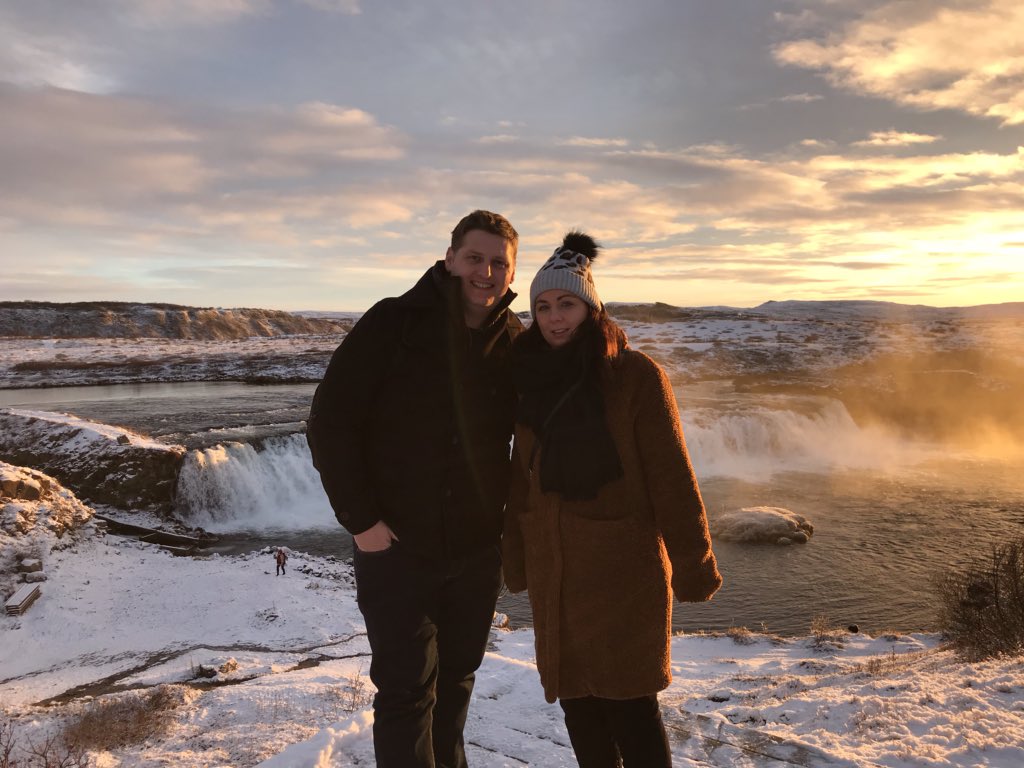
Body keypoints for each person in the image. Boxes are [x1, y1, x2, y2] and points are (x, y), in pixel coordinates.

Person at [306, 210, 522, 768]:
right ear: (450, 258)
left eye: (500, 262)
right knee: (406, 694)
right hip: (398, 548)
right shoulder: (393, 323)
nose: (486, 272)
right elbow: (331, 422)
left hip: (476, 553)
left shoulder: (514, 340)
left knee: (455, 686)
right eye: (475, 258)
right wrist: (361, 521)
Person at [502, 231, 722, 768]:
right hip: (556, 574)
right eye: (543, 307)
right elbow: (521, 478)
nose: (555, 318)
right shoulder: (526, 377)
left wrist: (693, 563)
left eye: (567, 304)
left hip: (622, 573)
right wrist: (516, 555)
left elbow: (672, 475)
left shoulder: (635, 377)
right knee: (579, 709)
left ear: (591, 307)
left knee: (631, 709)